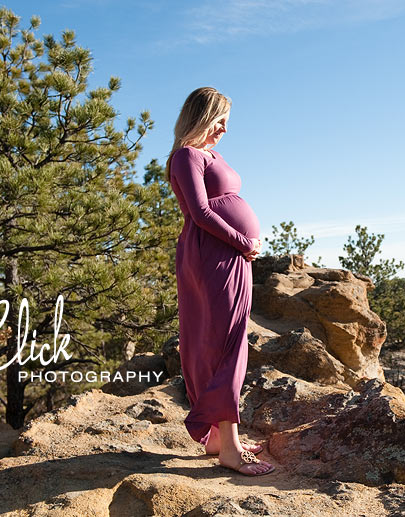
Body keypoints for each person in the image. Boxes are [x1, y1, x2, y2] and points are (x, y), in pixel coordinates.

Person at [165, 87, 275, 476]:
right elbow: (199, 212)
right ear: (200, 115)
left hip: (230, 257)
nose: (225, 129)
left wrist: (244, 245)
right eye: (220, 119)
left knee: (230, 342)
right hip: (210, 257)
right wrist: (244, 240)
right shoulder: (186, 156)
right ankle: (228, 449)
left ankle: (216, 437)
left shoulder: (211, 156)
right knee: (222, 347)